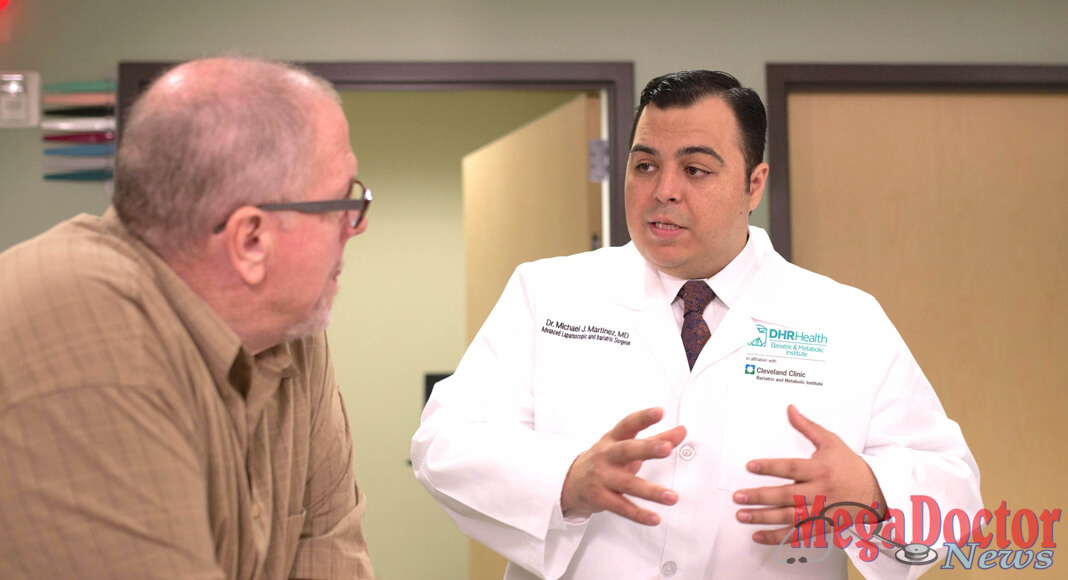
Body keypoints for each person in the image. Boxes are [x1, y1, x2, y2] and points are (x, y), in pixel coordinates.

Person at [411, 70, 981, 579]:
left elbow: (955, 490)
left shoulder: (845, 319)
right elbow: (443, 443)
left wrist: (874, 493)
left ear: (754, 185)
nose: (663, 190)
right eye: (645, 165)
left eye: (696, 169)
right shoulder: (549, 294)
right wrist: (564, 479)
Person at [0, 57, 375, 579]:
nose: (354, 227)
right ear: (250, 240)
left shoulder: (290, 326)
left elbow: (331, 547)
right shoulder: (75, 322)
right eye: (341, 201)